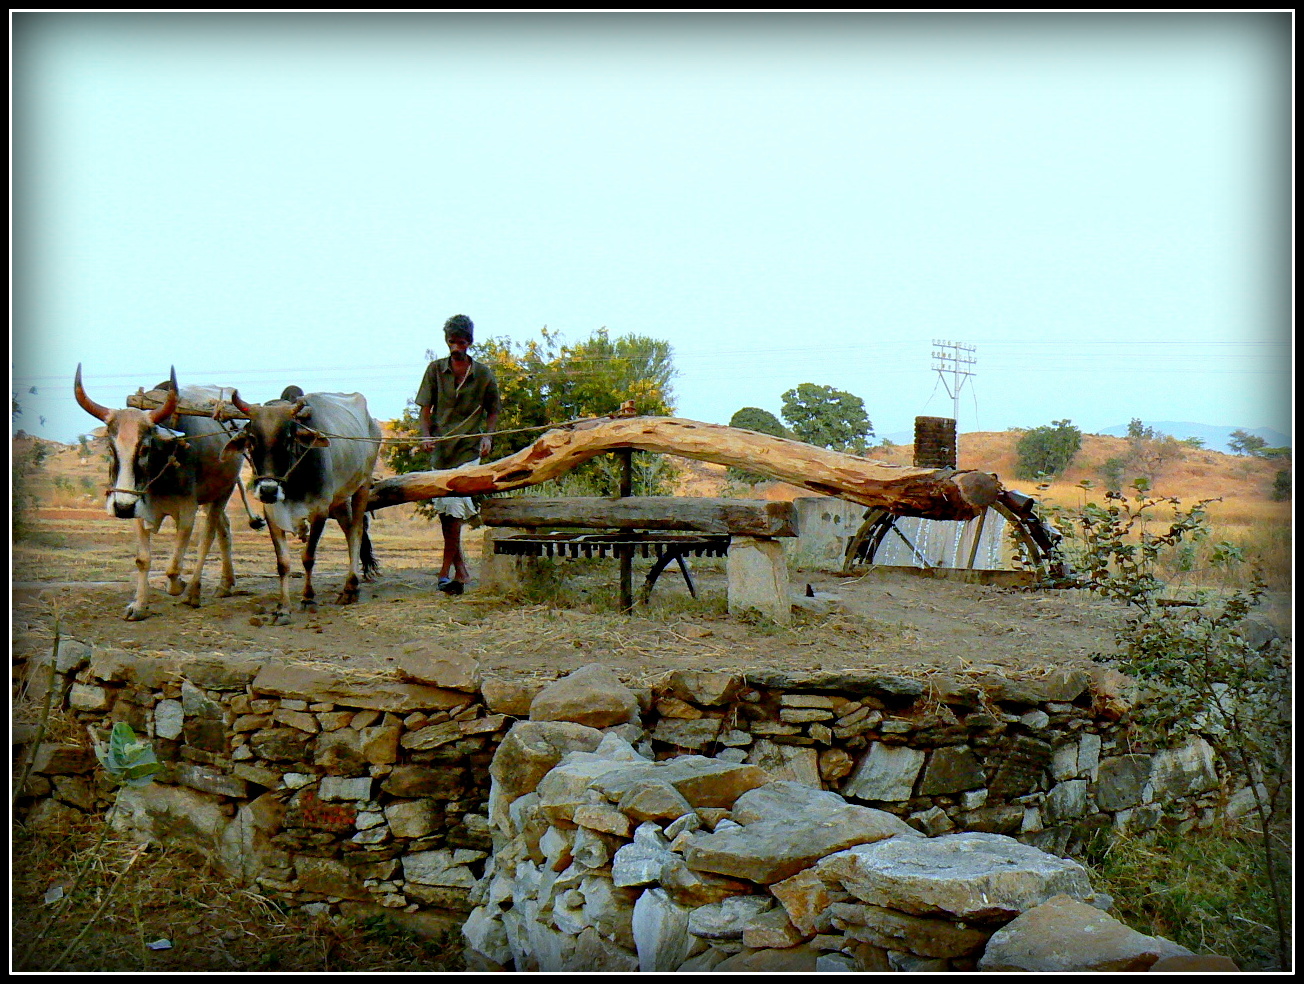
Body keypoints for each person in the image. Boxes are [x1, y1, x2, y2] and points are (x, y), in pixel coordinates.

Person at [416, 314, 501, 594]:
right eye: (452, 342)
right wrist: (426, 437)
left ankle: (443, 572)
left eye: (461, 342)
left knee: (454, 508)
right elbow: (425, 409)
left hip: (468, 448)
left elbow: (493, 410)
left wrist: (487, 436)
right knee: (445, 512)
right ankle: (461, 571)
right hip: (441, 451)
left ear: (470, 343)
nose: (456, 347)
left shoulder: (484, 374)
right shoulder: (434, 370)